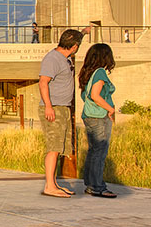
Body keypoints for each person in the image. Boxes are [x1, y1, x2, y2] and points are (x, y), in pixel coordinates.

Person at [37, 29, 83, 198]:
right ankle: (49, 186)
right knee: (53, 147)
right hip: (53, 107)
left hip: (62, 107)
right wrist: (49, 106)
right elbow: (43, 83)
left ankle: (54, 183)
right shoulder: (53, 59)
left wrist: (85, 30)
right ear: (75, 46)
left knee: (60, 147)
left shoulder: (64, 58)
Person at [78, 43, 118, 198]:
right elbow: (95, 95)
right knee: (100, 151)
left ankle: (91, 184)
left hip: (89, 115)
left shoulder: (89, 73)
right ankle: (97, 186)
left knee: (93, 151)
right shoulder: (100, 72)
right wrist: (111, 109)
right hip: (99, 116)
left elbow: (86, 95)